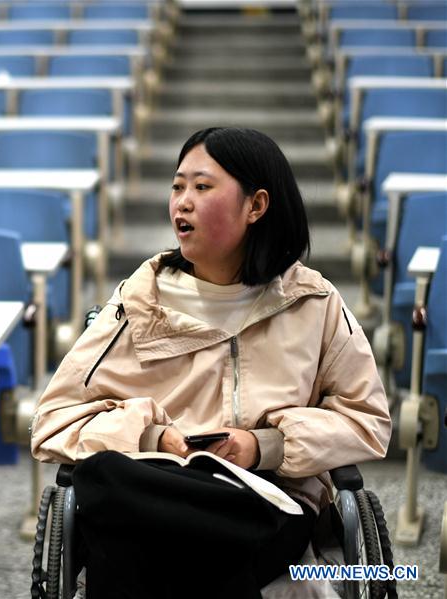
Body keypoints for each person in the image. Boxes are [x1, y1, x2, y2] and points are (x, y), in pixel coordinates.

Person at [30, 127, 391, 598]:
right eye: (178, 186)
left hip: (262, 493)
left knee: (121, 526)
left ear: (256, 206)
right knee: (105, 475)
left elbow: (368, 421)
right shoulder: (138, 302)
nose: (182, 201)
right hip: (161, 486)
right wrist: (153, 436)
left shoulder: (313, 303)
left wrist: (265, 446)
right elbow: (53, 421)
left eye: (202, 187)